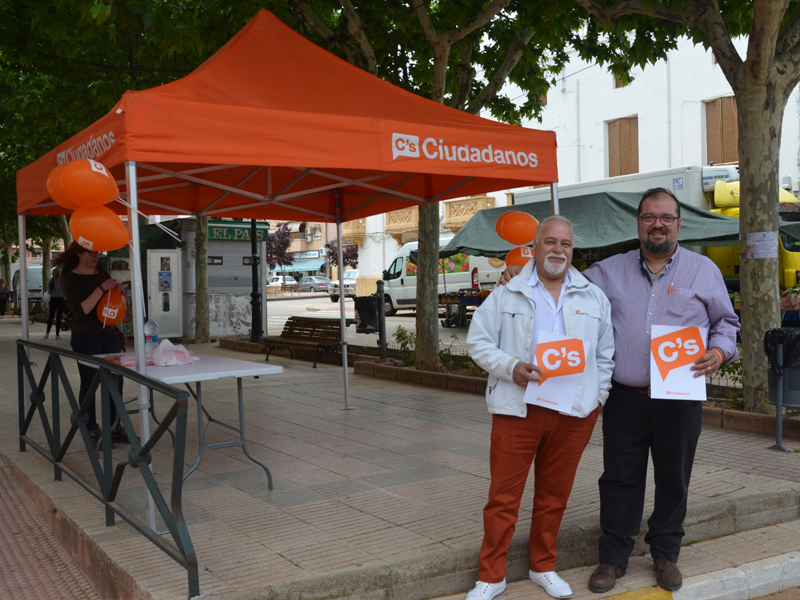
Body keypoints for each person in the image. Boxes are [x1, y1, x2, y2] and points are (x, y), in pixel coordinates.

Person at [498, 189, 740, 593]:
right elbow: (554, 280)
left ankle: (665, 554)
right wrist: (516, 276)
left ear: (679, 223)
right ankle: (613, 558)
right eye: (649, 217)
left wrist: (719, 351)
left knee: (673, 477)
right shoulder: (606, 272)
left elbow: (727, 323)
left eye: (666, 217)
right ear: (639, 223)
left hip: (679, 397)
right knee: (619, 479)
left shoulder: (704, 271)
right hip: (625, 398)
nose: (657, 224)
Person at [465, 215, 615, 600]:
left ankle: (543, 566)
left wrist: (596, 398)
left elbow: (605, 355)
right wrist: (510, 367)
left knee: (554, 495)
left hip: (573, 413)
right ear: (533, 247)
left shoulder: (592, 296)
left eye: (565, 244)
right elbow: (478, 343)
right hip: (518, 409)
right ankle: (491, 576)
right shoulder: (507, 293)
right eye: (550, 242)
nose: (558, 251)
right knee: (503, 497)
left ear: (572, 250)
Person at [54, 242, 129, 446]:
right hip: (85, 336)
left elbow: (109, 304)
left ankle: (115, 428)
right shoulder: (69, 278)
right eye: (90, 252)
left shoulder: (102, 274)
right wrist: (101, 288)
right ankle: (91, 429)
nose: (95, 255)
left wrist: (118, 292)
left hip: (107, 334)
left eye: (97, 252)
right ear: (78, 253)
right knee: (89, 383)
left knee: (116, 381)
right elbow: (80, 311)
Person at [44, 268, 65, 340]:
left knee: (51, 317)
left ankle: (47, 333)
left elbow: (49, 292)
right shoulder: (62, 281)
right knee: (58, 317)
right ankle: (57, 334)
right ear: (59, 273)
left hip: (53, 300)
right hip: (60, 300)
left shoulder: (50, 282)